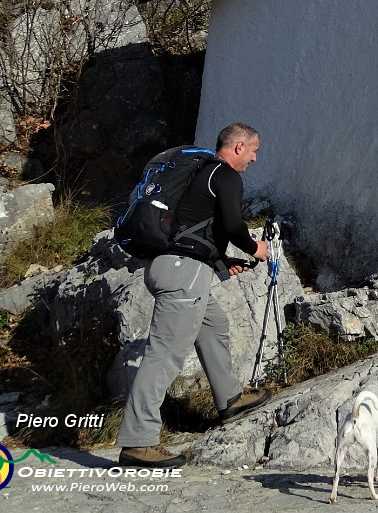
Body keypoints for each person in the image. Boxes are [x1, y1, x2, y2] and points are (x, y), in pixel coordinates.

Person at [115, 123, 273, 468]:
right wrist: (254, 247)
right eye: (253, 150)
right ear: (238, 147)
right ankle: (137, 442)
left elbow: (191, 228)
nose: (255, 158)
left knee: (213, 323)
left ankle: (229, 397)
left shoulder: (200, 176)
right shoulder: (226, 175)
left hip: (169, 267)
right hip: (184, 275)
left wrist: (221, 260)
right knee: (165, 354)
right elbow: (232, 225)